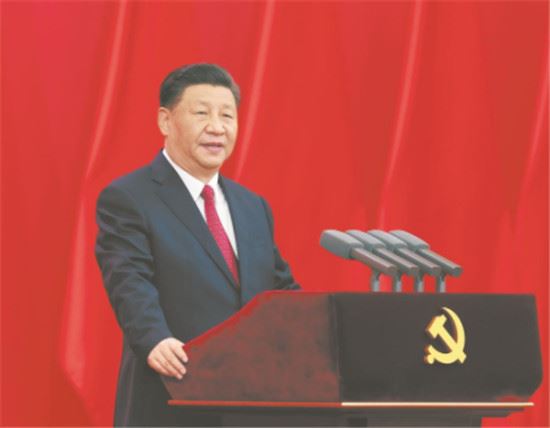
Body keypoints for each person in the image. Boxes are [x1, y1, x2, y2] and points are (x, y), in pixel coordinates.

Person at [95, 63, 300, 426]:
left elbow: (280, 289)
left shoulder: (252, 206)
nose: (217, 127)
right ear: (165, 121)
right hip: (173, 392)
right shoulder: (130, 197)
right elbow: (129, 279)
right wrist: (155, 339)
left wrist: (319, 334)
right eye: (202, 113)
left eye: (227, 115)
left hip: (252, 405)